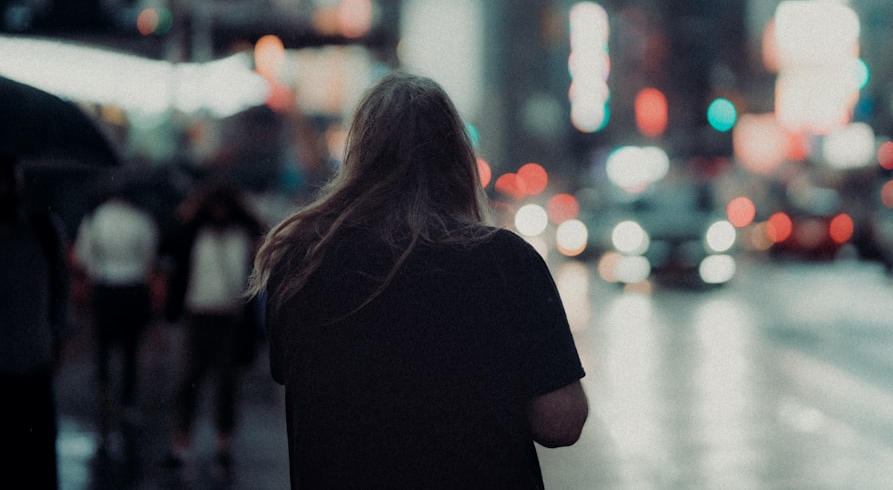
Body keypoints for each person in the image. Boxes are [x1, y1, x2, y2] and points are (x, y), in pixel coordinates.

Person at [248, 71, 588, 489]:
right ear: (458, 157)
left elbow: (293, 378)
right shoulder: (506, 261)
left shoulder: (301, 259)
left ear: (358, 156)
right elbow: (561, 423)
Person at [161, 181, 264, 480]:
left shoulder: (246, 234)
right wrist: (188, 210)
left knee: (226, 386)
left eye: (224, 207)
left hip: (230, 318)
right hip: (197, 314)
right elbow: (167, 244)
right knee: (187, 381)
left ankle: (223, 450)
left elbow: (266, 241)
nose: (219, 213)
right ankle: (180, 449)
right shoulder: (193, 231)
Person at [0, 153, 70, 490]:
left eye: (12, 176)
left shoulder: (43, 231)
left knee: (38, 468)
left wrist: (58, 338)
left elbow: (61, 290)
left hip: (33, 369)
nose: (6, 185)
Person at [73, 191, 161, 449]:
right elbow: (149, 256)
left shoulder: (94, 218)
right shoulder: (142, 220)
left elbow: (83, 257)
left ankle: (102, 386)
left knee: (103, 342)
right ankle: (127, 398)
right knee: (131, 347)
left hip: (105, 287)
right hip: (133, 288)